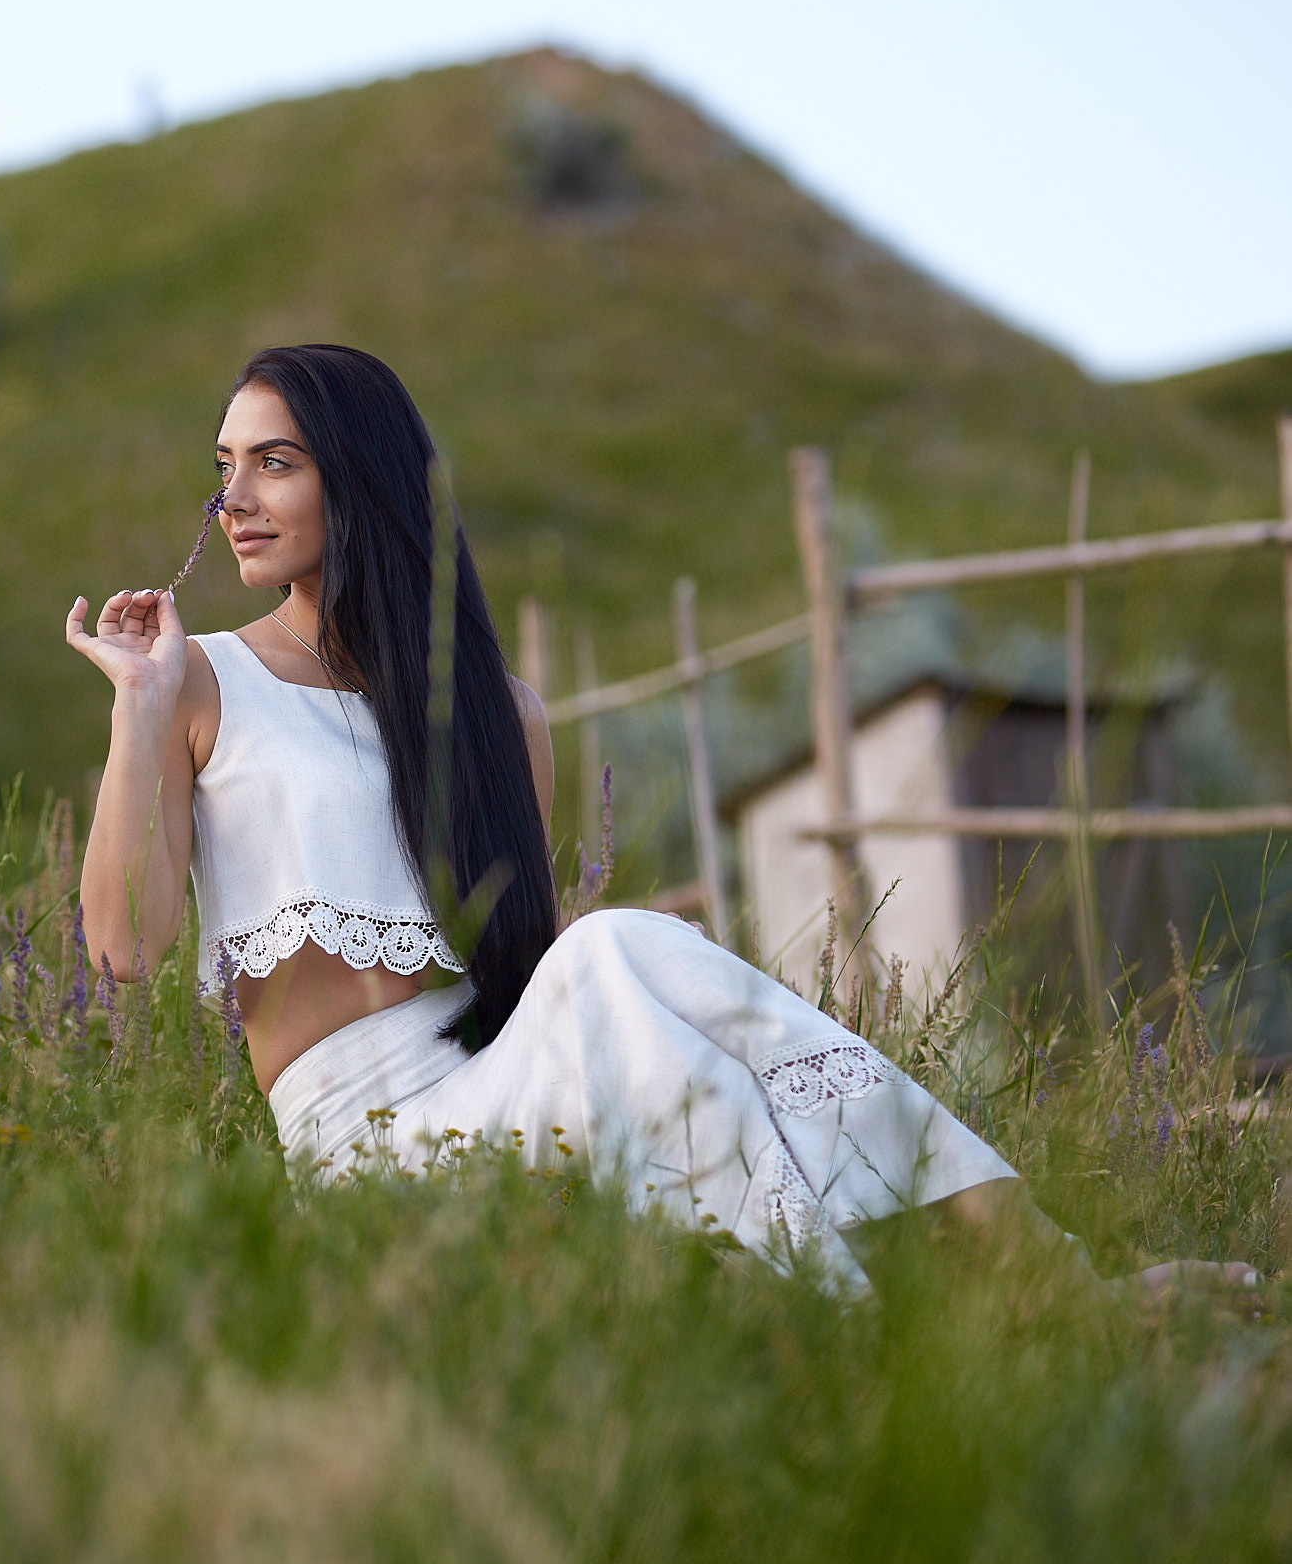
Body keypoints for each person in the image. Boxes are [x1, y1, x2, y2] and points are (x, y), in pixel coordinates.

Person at [64, 342, 1255, 1294]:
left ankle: (1037, 1274)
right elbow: (123, 946)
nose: (233, 498)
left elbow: (520, 981)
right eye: (223, 465)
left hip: (506, 1098)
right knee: (615, 944)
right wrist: (144, 702)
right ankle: (906, 1289)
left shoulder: (497, 715)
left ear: (360, 476)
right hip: (365, 1148)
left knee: (618, 958)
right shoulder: (203, 679)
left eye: (274, 461)